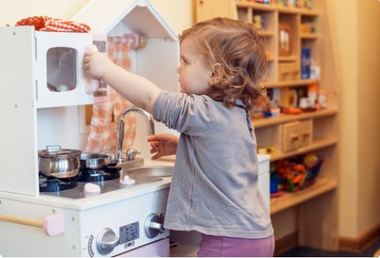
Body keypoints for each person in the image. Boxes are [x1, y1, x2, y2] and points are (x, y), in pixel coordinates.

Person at [84, 17, 274, 257]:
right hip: (256, 235)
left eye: (185, 61)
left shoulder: (203, 111)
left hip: (229, 241)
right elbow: (227, 155)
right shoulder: (235, 109)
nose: (178, 67)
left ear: (215, 73)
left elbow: (150, 99)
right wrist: (182, 147)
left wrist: (105, 69)